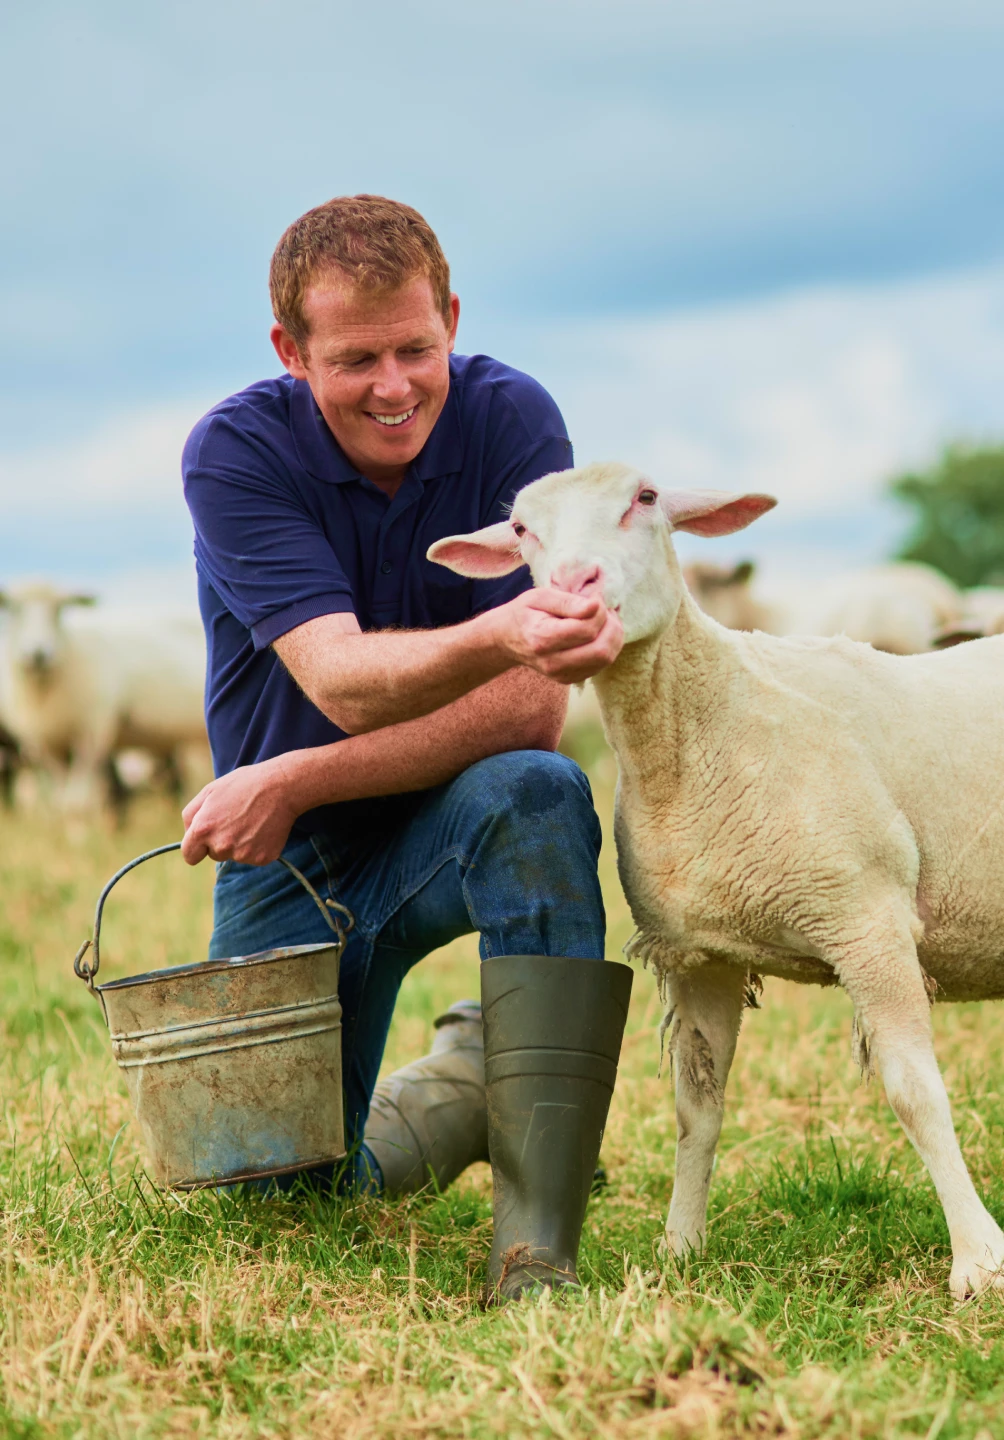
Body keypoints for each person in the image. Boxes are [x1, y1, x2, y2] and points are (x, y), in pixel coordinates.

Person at [180, 195, 631, 1299]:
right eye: (355, 358)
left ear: (452, 320)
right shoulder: (232, 453)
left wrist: (289, 775)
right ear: (290, 351)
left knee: (535, 787)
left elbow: (534, 713)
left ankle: (537, 1252)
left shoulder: (512, 419)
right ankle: (471, 1083)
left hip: (433, 813)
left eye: (416, 348)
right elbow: (337, 678)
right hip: (288, 859)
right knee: (272, 1203)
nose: (394, 386)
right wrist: (506, 633)